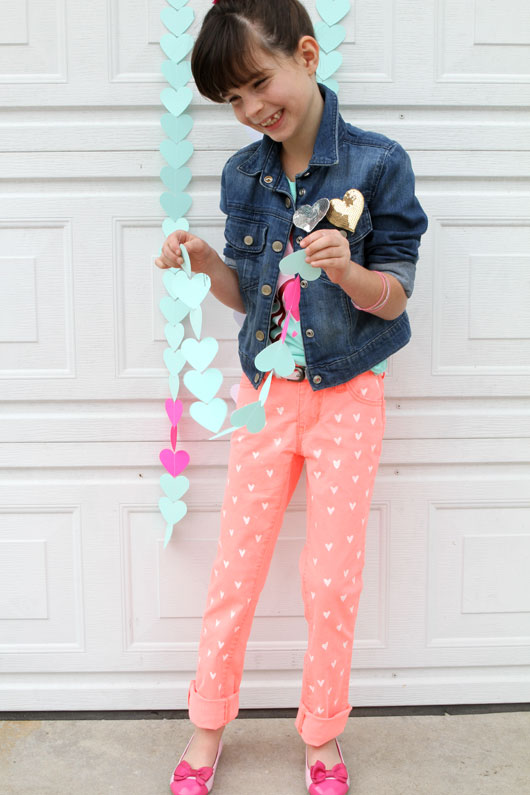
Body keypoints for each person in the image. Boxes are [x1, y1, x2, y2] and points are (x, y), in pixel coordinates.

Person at [155, 1, 428, 792]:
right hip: (267, 393)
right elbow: (255, 298)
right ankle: (207, 728)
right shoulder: (244, 173)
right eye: (232, 100)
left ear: (306, 54)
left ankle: (322, 738)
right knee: (234, 570)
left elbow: (397, 295)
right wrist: (207, 262)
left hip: (350, 394)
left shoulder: (378, 164)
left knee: (331, 578)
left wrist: (347, 270)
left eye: (256, 83)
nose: (250, 110)